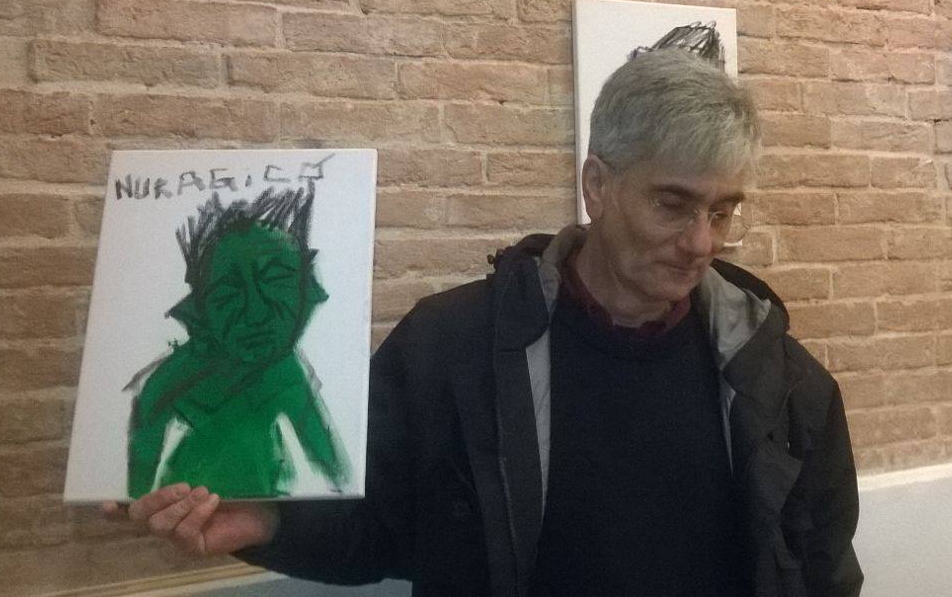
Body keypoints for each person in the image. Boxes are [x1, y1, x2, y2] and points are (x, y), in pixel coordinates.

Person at [109, 40, 863, 596]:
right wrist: (270, 523)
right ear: (598, 185)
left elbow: (824, 572)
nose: (701, 242)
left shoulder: (780, 383)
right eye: (673, 204)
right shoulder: (449, 349)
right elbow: (381, 527)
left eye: (722, 211)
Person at [126, 185, 350, 499]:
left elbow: (336, 472)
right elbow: (135, 476)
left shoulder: (286, 372)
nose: (256, 314)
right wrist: (130, 497)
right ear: (200, 310)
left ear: (307, 288)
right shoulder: (175, 378)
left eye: (276, 280)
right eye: (227, 293)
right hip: (188, 495)